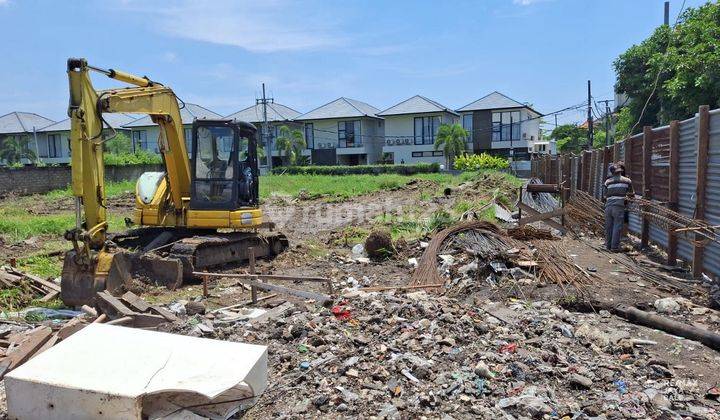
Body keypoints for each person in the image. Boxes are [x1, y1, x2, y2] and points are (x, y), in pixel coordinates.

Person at [603, 164, 634, 251]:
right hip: (619, 207)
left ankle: (608, 246)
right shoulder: (627, 181)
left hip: (608, 207)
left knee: (609, 227)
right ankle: (614, 247)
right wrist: (628, 201)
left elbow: (604, 196)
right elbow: (631, 194)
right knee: (617, 226)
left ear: (612, 173)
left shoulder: (607, 182)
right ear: (620, 171)